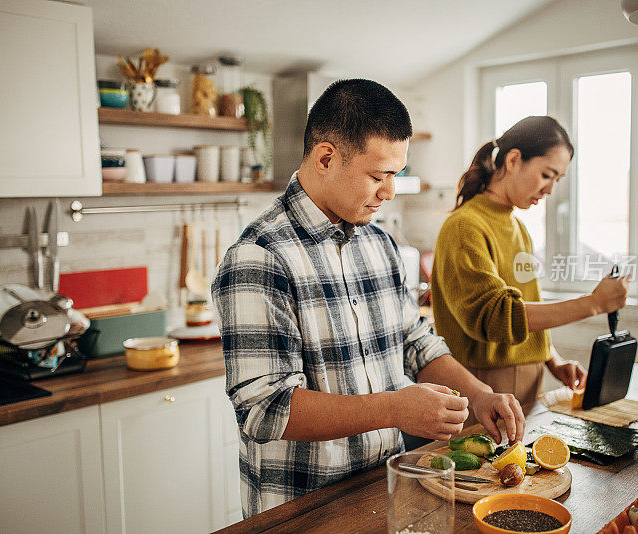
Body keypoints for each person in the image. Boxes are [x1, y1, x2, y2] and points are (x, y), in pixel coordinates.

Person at [212, 79, 526, 517]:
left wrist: (477, 393)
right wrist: (395, 408)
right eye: (378, 176)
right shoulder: (260, 257)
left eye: (395, 175)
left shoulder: (380, 244)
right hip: (304, 509)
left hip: (384, 489)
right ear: (325, 158)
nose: (389, 191)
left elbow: (414, 340)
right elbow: (264, 411)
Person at [430, 116, 630, 416]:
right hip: (483, 386)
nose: (550, 190)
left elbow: (523, 307)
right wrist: (593, 303)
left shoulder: (518, 227)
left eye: (558, 180)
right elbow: (498, 318)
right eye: (547, 175)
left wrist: (552, 359)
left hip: (529, 379)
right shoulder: (464, 228)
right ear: (513, 160)